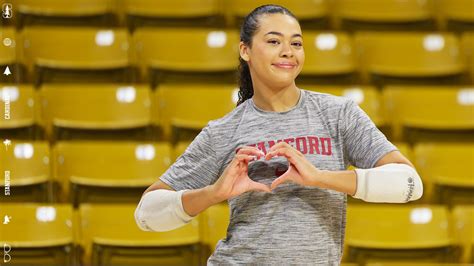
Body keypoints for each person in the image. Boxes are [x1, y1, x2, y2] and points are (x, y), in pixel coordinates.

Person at [134, 4, 423, 265]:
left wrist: (318, 177)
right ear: (245, 50)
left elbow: (409, 184)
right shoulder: (223, 131)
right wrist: (214, 193)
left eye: (296, 43)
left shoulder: (338, 114)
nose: (288, 51)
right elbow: (146, 215)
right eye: (274, 41)